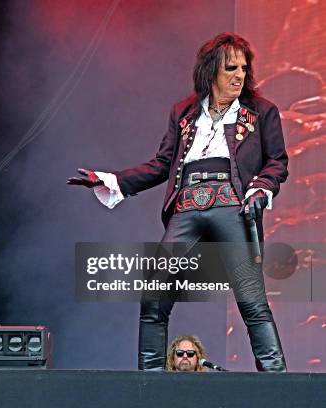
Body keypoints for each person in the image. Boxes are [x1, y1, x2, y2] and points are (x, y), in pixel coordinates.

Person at [68, 33, 288, 371]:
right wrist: (111, 179)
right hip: (186, 207)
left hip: (231, 204)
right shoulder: (183, 112)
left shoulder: (261, 111)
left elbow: (277, 161)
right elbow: (161, 164)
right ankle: (151, 384)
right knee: (155, 294)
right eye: (231, 67)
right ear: (211, 70)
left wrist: (260, 188)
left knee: (251, 298)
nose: (239, 75)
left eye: (244, 68)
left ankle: (277, 383)